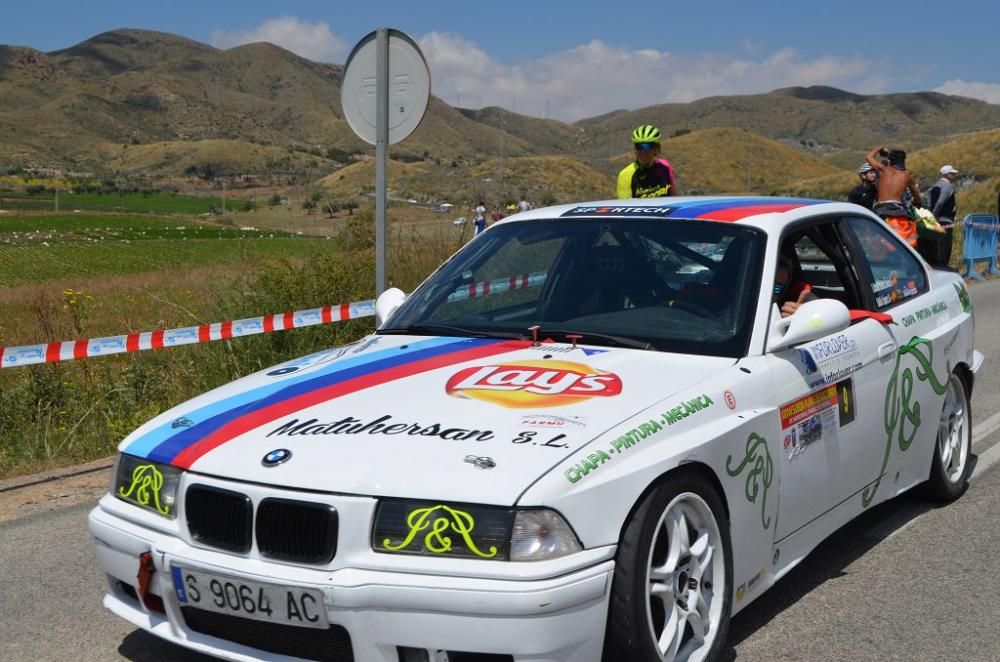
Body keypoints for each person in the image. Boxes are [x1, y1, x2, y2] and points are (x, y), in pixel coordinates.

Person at [866, 146, 922, 248]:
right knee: (902, 242)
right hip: (897, 211)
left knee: (879, 242)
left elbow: (868, 157)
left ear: (890, 161)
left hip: (880, 210)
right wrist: (917, 203)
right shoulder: (906, 176)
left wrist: (880, 147)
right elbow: (916, 195)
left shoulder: (883, 170)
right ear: (903, 161)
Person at [616, 124, 678, 199]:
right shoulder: (625, 175)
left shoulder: (665, 166)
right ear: (635, 149)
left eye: (647, 146)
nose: (643, 151)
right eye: (639, 147)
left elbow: (673, 195)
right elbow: (625, 207)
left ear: (656, 148)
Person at [921, 165, 959, 267]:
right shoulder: (947, 186)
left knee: (936, 245)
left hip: (935, 221)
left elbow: (928, 202)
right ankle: (943, 266)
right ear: (946, 175)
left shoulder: (934, 186)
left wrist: (930, 216)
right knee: (945, 246)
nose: (954, 175)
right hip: (945, 220)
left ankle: (937, 265)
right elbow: (940, 202)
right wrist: (934, 215)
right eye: (952, 173)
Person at [774, 254, 816, 318]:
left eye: (776, 289)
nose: (769, 294)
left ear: (786, 288)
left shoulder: (800, 293)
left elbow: (815, 304)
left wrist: (806, 315)